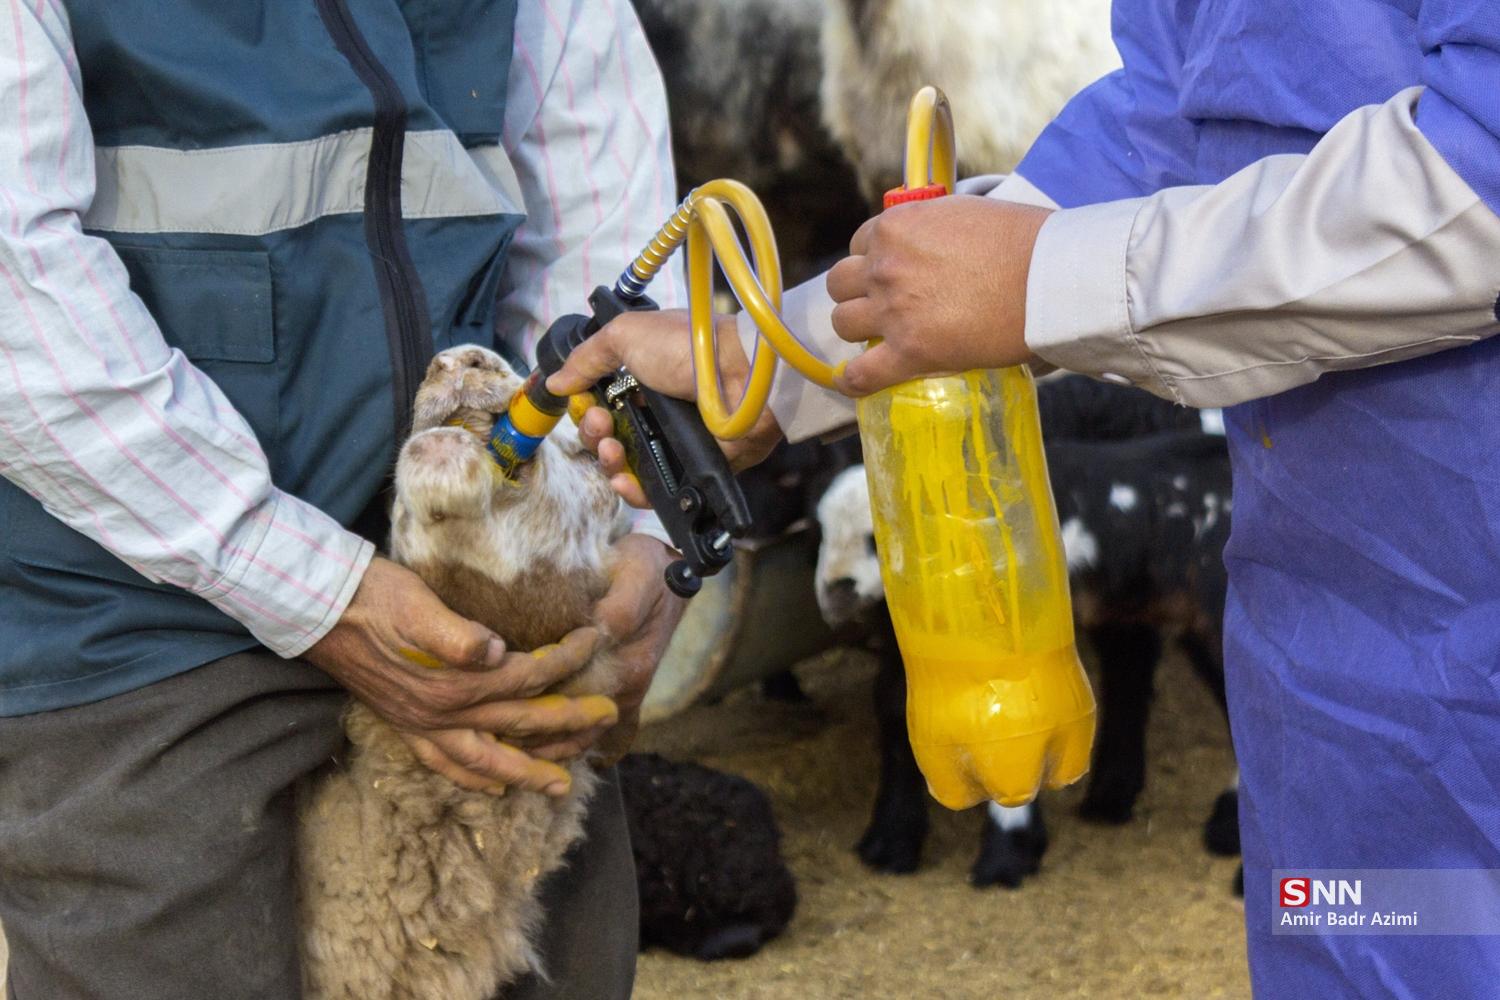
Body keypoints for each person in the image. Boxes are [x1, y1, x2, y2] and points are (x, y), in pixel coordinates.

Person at [549, 2, 1500, 995]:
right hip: (1340, 685)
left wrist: (1046, 281)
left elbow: (1480, 175)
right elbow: (1174, 128)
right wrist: (775, 364)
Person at [0, 2, 685, 998]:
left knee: (559, 955)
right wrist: (314, 586)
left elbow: (595, 204)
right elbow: (17, 292)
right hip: (143, 617)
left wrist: (635, 516)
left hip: (468, 601)